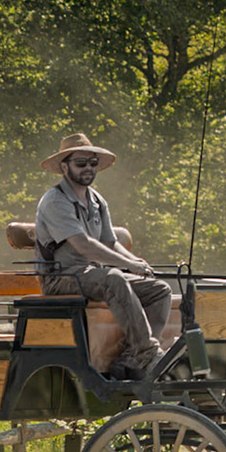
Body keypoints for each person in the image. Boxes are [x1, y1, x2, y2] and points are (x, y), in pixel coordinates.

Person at [34, 133, 173, 379]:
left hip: (91, 276)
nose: (88, 168)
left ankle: (129, 359)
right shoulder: (55, 201)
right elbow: (83, 245)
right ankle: (148, 353)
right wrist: (126, 264)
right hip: (61, 278)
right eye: (81, 163)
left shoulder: (97, 201)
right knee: (113, 278)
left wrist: (137, 263)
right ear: (64, 167)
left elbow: (110, 242)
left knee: (159, 290)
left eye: (93, 163)